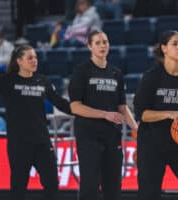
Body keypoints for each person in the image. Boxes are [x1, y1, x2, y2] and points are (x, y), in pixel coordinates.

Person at [0, 44, 71, 200]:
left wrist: (83, 110)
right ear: (19, 61)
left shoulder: (42, 81)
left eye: (35, 57)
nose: (34, 61)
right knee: (18, 189)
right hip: (19, 144)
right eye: (30, 58)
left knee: (52, 184)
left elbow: (60, 103)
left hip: (42, 142)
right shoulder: (8, 81)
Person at [133, 30, 178, 200]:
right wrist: (170, 113)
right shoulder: (152, 77)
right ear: (164, 48)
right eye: (175, 43)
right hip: (152, 142)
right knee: (148, 194)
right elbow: (141, 113)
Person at [68, 30, 138, 200]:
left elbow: (122, 106)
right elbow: (75, 107)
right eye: (98, 42)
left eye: (105, 42)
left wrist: (136, 128)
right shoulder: (81, 71)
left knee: (113, 185)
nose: (102, 46)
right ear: (89, 46)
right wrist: (104, 114)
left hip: (112, 135)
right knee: (90, 185)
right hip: (88, 135)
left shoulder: (116, 73)